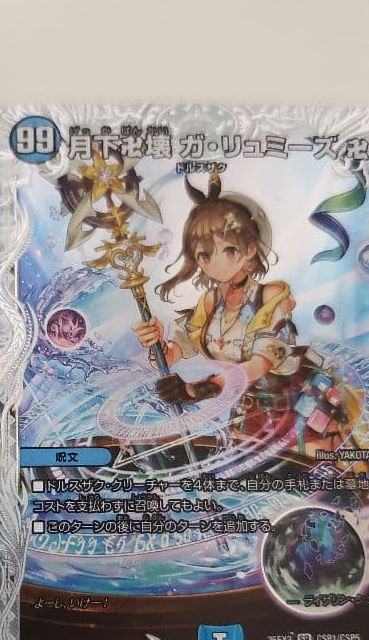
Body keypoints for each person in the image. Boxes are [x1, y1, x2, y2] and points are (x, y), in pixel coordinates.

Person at [133, 171, 356, 451]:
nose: (214, 263)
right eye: (204, 255)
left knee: (312, 466)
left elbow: (259, 364)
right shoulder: (210, 302)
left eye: (226, 250)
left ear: (249, 249)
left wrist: (199, 389)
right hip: (247, 410)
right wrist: (159, 347)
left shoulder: (271, 297)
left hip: (294, 405)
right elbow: (182, 347)